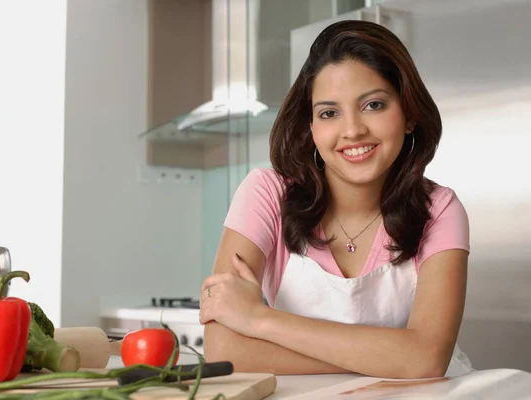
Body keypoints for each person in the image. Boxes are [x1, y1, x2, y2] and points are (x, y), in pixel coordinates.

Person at [198, 19, 473, 379]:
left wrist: (258, 319)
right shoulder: (265, 195)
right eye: (329, 113)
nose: (352, 130)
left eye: (373, 105)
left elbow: (427, 360)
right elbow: (223, 351)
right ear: (311, 128)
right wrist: (391, 356)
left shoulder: (439, 209)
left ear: (408, 114)